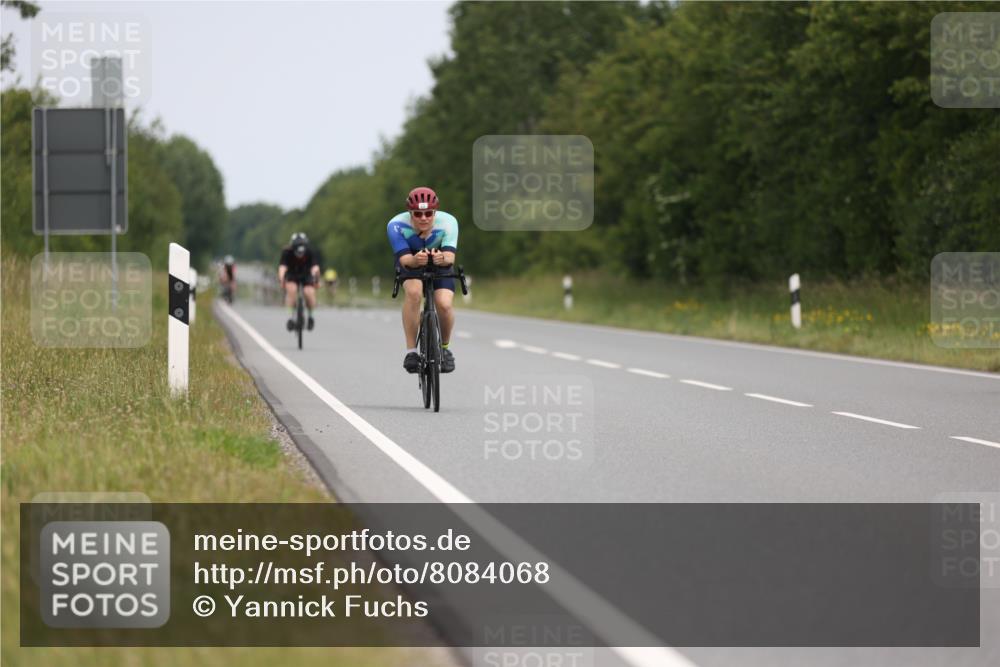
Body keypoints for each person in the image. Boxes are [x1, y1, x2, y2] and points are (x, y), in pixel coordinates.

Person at [386, 186, 459, 374]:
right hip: (411, 260)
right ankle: (411, 352)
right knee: (414, 292)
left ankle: (444, 348)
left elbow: (450, 257)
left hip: (439, 260)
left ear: (435, 212)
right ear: (410, 212)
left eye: (428, 213)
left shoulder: (449, 222)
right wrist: (415, 259)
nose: (424, 218)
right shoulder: (396, 225)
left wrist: (442, 258)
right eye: (418, 214)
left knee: (443, 304)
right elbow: (404, 260)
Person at [278, 232, 321, 331]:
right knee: (291, 290)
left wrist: (316, 279)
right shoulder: (287, 252)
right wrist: (281, 279)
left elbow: (315, 267)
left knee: (309, 293)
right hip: (292, 274)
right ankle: (290, 318)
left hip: (306, 274)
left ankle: (310, 316)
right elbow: (282, 268)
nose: (300, 255)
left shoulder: (310, 252)